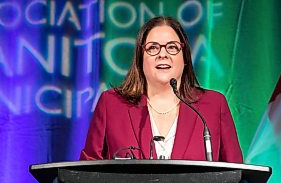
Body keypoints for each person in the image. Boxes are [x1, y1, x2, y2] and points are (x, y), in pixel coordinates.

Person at [80, 16, 243, 163]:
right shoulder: (112, 104)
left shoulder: (213, 105)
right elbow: (87, 172)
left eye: (172, 47)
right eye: (152, 48)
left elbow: (236, 175)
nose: (162, 54)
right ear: (140, 59)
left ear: (185, 57)